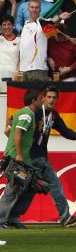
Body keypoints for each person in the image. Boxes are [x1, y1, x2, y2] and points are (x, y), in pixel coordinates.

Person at [0, 88, 44, 231]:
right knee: (13, 189)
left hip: (20, 158)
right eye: (40, 98)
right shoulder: (27, 114)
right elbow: (17, 132)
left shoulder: (24, 113)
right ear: (33, 101)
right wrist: (18, 154)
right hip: (18, 159)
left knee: (30, 186)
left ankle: (13, 217)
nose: (42, 100)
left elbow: (9, 131)